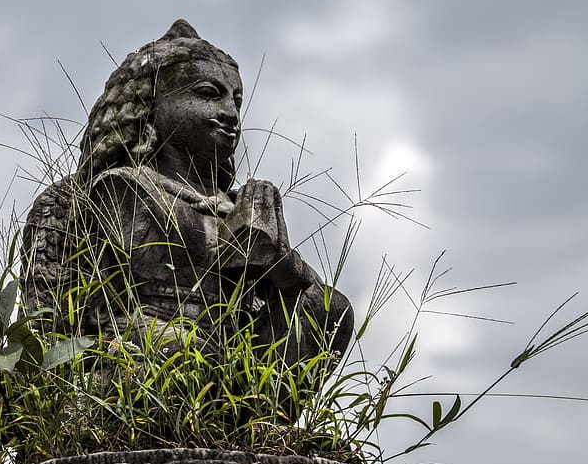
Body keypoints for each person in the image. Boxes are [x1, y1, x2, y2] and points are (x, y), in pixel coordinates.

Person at [21, 19, 353, 375]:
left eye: (236, 101)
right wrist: (231, 242)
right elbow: (59, 312)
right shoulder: (118, 187)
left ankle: (267, 411)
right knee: (176, 346)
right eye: (208, 94)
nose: (230, 113)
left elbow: (299, 299)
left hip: (227, 352)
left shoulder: (239, 203)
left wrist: (281, 262)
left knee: (334, 308)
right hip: (143, 344)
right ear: (151, 106)